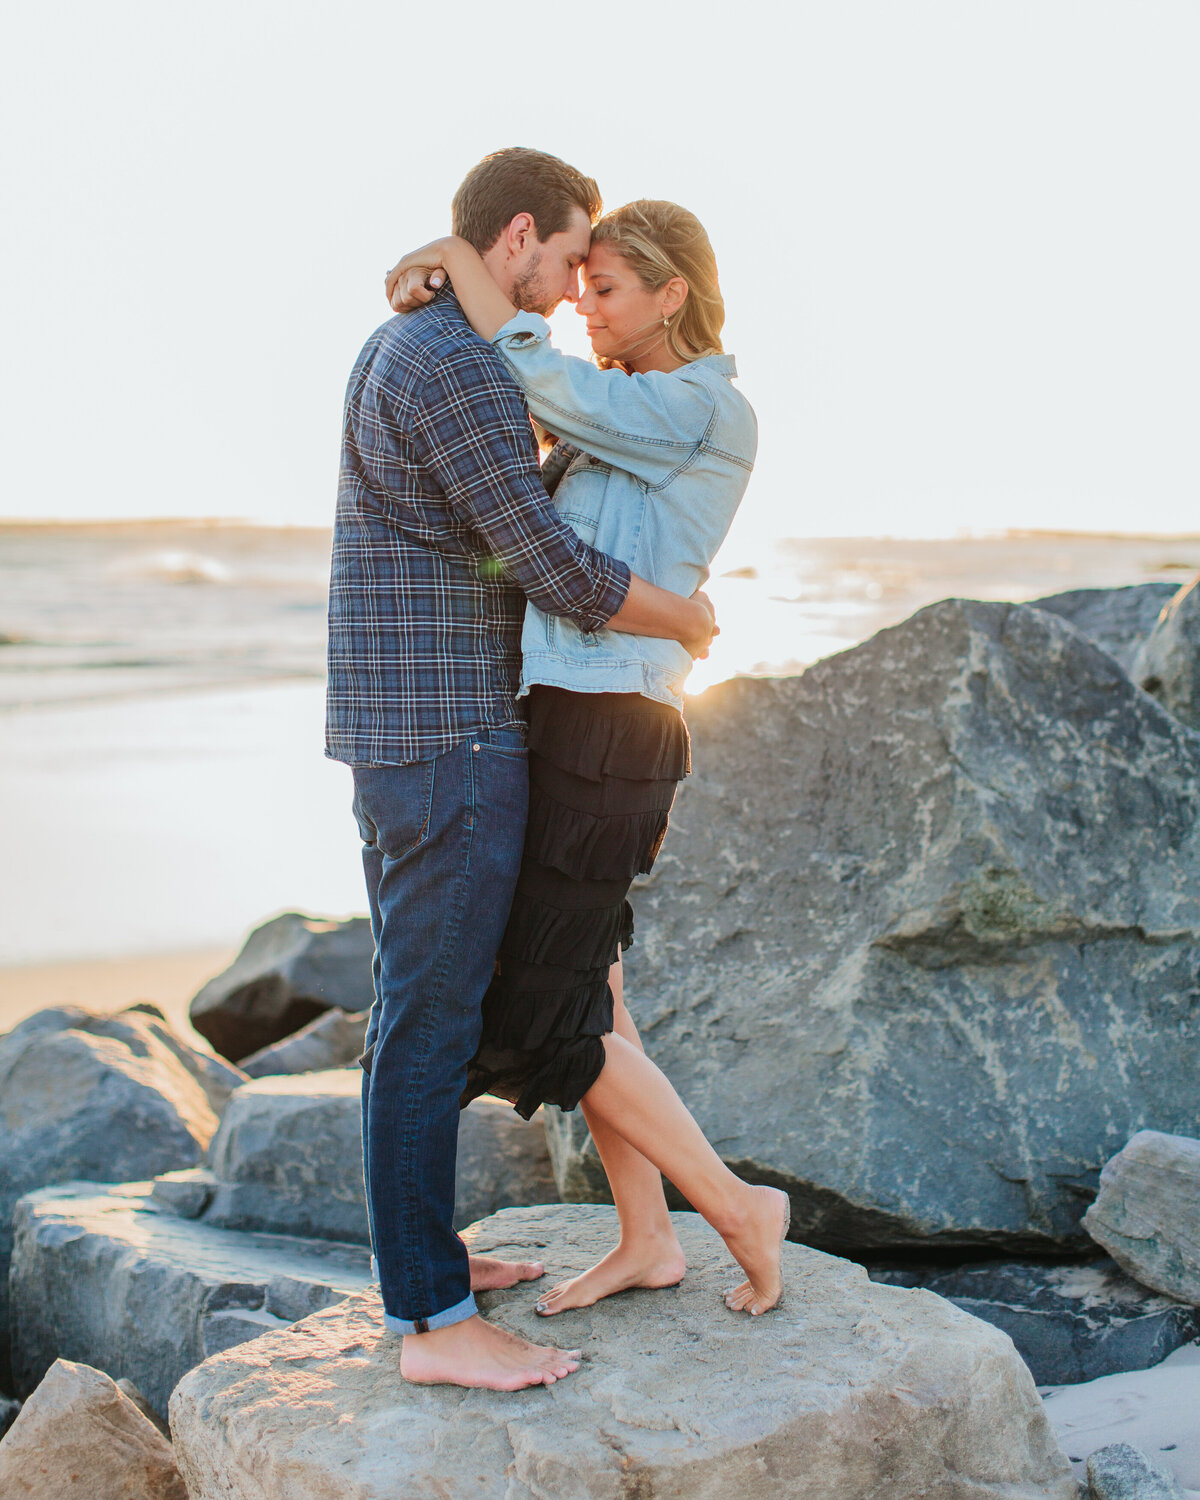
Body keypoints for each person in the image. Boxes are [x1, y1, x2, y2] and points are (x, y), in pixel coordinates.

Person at [327, 149, 718, 1393]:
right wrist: (683, 619)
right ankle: (435, 1326)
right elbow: (542, 556)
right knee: (431, 1019)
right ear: (518, 237)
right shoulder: (448, 365)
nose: (569, 290)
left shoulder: (424, 347)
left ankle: (427, 1261)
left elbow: (521, 512)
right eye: (566, 261)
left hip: (418, 727)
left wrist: (440, 264)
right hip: (447, 735)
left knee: (419, 1006)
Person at [384, 198, 790, 1328]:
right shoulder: (629, 418)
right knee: (598, 1000)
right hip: (567, 715)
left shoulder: (705, 406)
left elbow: (549, 384)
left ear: (673, 293)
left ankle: (737, 1212)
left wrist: (462, 263)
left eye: (606, 289)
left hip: (611, 732)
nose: (583, 308)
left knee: (547, 1019)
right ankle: (650, 1236)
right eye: (583, 283)